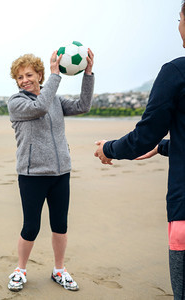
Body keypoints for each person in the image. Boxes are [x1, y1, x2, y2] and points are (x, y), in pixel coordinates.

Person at [94, 3, 185, 299]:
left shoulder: (176, 71)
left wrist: (109, 149)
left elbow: (145, 135)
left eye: (179, 18)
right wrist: (165, 147)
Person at [6, 49, 95, 292]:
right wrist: (56, 76)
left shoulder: (54, 98)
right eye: (20, 77)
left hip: (60, 173)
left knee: (60, 224)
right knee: (31, 226)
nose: (25, 80)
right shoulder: (17, 102)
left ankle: (59, 270)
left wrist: (88, 74)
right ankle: (20, 270)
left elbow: (83, 105)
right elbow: (41, 107)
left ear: (39, 75)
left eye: (29, 75)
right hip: (32, 174)